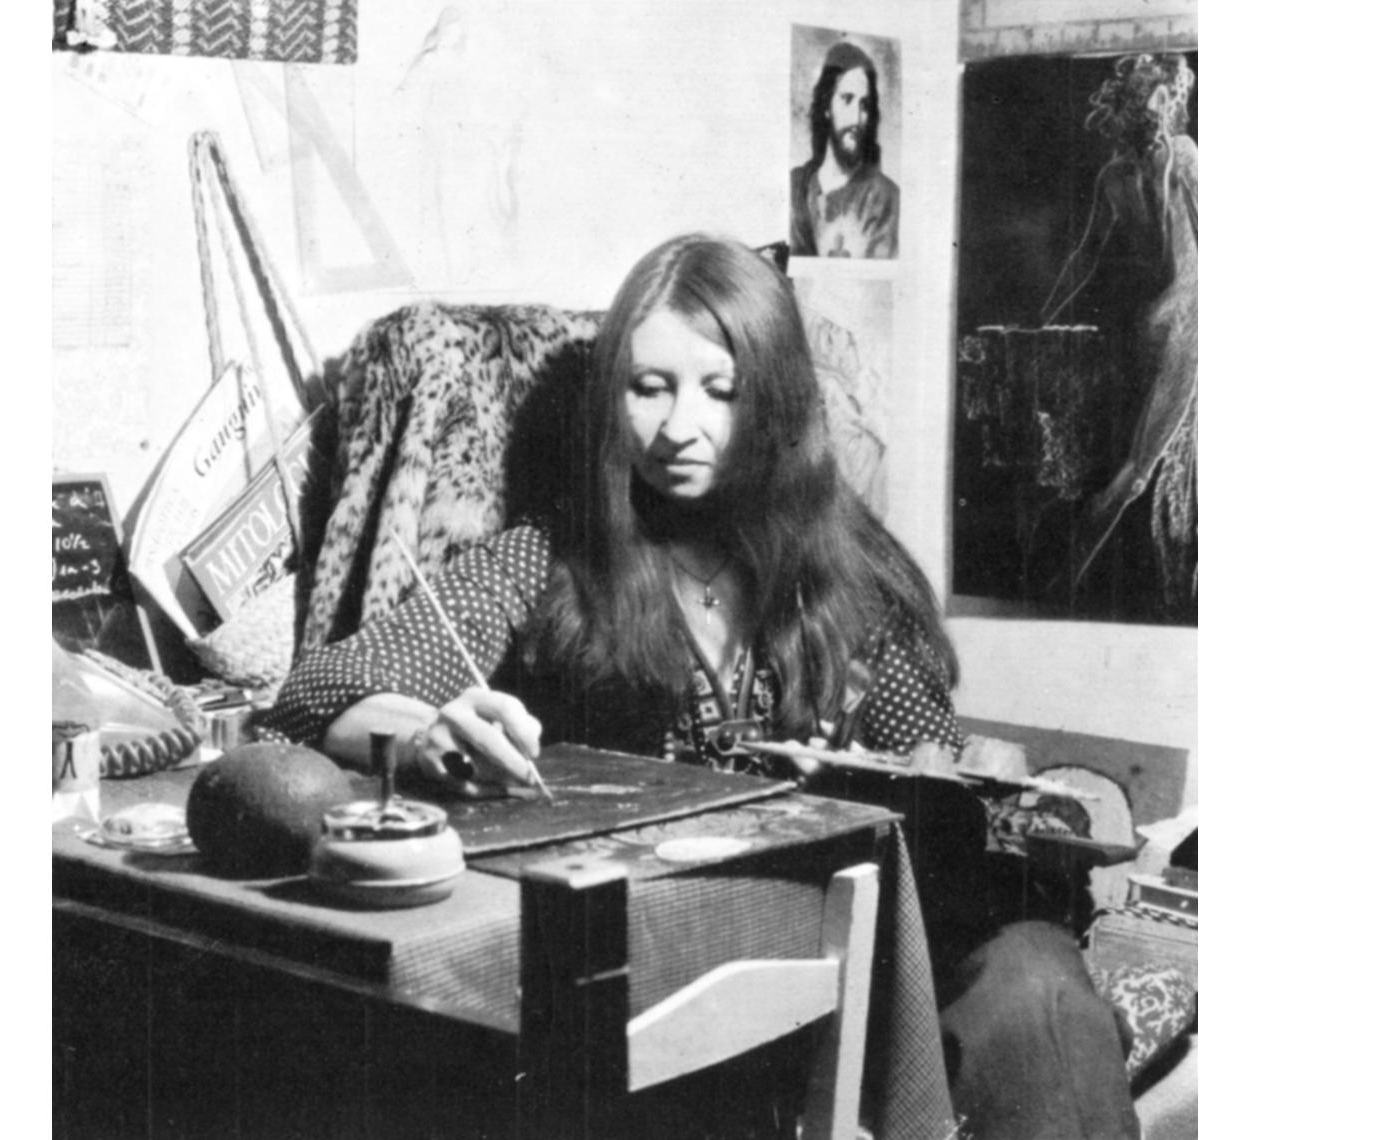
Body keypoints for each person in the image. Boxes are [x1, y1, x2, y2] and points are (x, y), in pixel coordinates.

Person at [258, 234, 1138, 1138]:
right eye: (650, 387)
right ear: (612, 401)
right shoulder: (547, 561)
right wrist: (423, 736)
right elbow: (318, 693)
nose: (681, 426)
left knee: (1038, 991)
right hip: (676, 959)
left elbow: (935, 766)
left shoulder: (850, 575)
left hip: (864, 942)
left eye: (722, 390)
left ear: (778, 402)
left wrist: (966, 789)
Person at [1040, 54, 1198, 606]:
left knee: (1134, 476)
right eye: (1151, 95)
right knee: (1126, 474)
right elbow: (1085, 256)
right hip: (1161, 328)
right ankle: (1063, 585)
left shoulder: (1184, 156)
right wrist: (1045, 319)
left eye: (1166, 97)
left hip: (1185, 323)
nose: (1161, 106)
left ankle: (1064, 581)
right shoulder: (1114, 177)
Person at [789, 41, 900, 260]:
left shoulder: (884, 197)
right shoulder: (796, 186)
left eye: (864, 105)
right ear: (826, 106)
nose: (857, 119)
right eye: (847, 99)